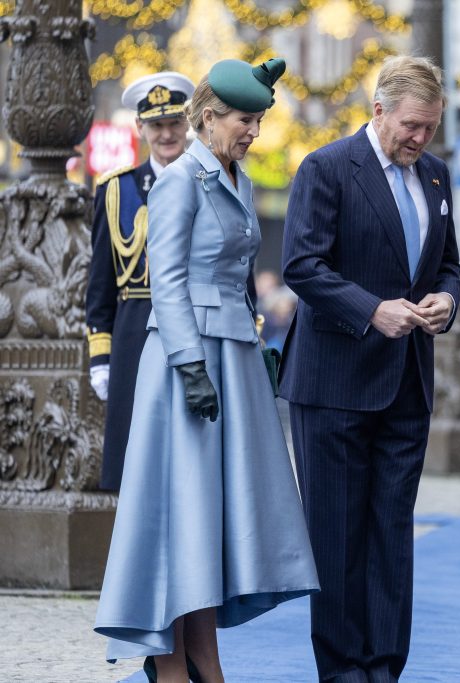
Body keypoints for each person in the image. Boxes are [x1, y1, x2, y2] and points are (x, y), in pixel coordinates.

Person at [94, 58, 319, 681]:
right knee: (182, 512)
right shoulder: (178, 181)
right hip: (187, 363)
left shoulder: (237, 176)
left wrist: (252, 352)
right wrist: (191, 366)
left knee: (216, 513)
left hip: (234, 358)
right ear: (210, 117)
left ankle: (203, 656)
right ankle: (173, 663)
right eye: (246, 120)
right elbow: (164, 281)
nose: (254, 131)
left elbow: (238, 278)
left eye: (258, 120)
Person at [280, 55, 460, 682]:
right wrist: (371, 310)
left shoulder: (435, 176)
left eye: (430, 127)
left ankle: (385, 667)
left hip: (407, 382)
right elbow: (301, 266)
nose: (420, 138)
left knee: (391, 537)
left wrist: (447, 298)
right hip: (332, 384)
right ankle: (343, 671)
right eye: (411, 125)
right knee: (336, 539)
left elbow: (449, 266)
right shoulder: (325, 168)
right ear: (378, 109)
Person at [86, 71, 194, 491]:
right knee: (136, 468)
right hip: (135, 334)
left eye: (173, 123)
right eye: (156, 125)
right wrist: (101, 356)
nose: (166, 134)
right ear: (141, 128)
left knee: (190, 460)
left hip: (195, 324)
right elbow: (101, 283)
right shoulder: (116, 190)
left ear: (187, 124)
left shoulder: (211, 181)